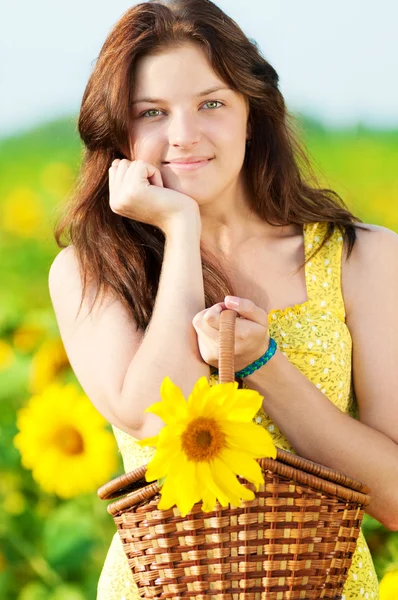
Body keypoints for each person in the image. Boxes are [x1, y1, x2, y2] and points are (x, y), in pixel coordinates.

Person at [47, 0, 398, 598]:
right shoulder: (90, 269)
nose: (184, 135)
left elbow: (393, 497)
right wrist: (181, 232)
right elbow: (158, 418)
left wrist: (267, 367)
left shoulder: (361, 256)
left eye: (211, 103)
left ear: (251, 115)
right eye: (151, 112)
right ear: (120, 132)